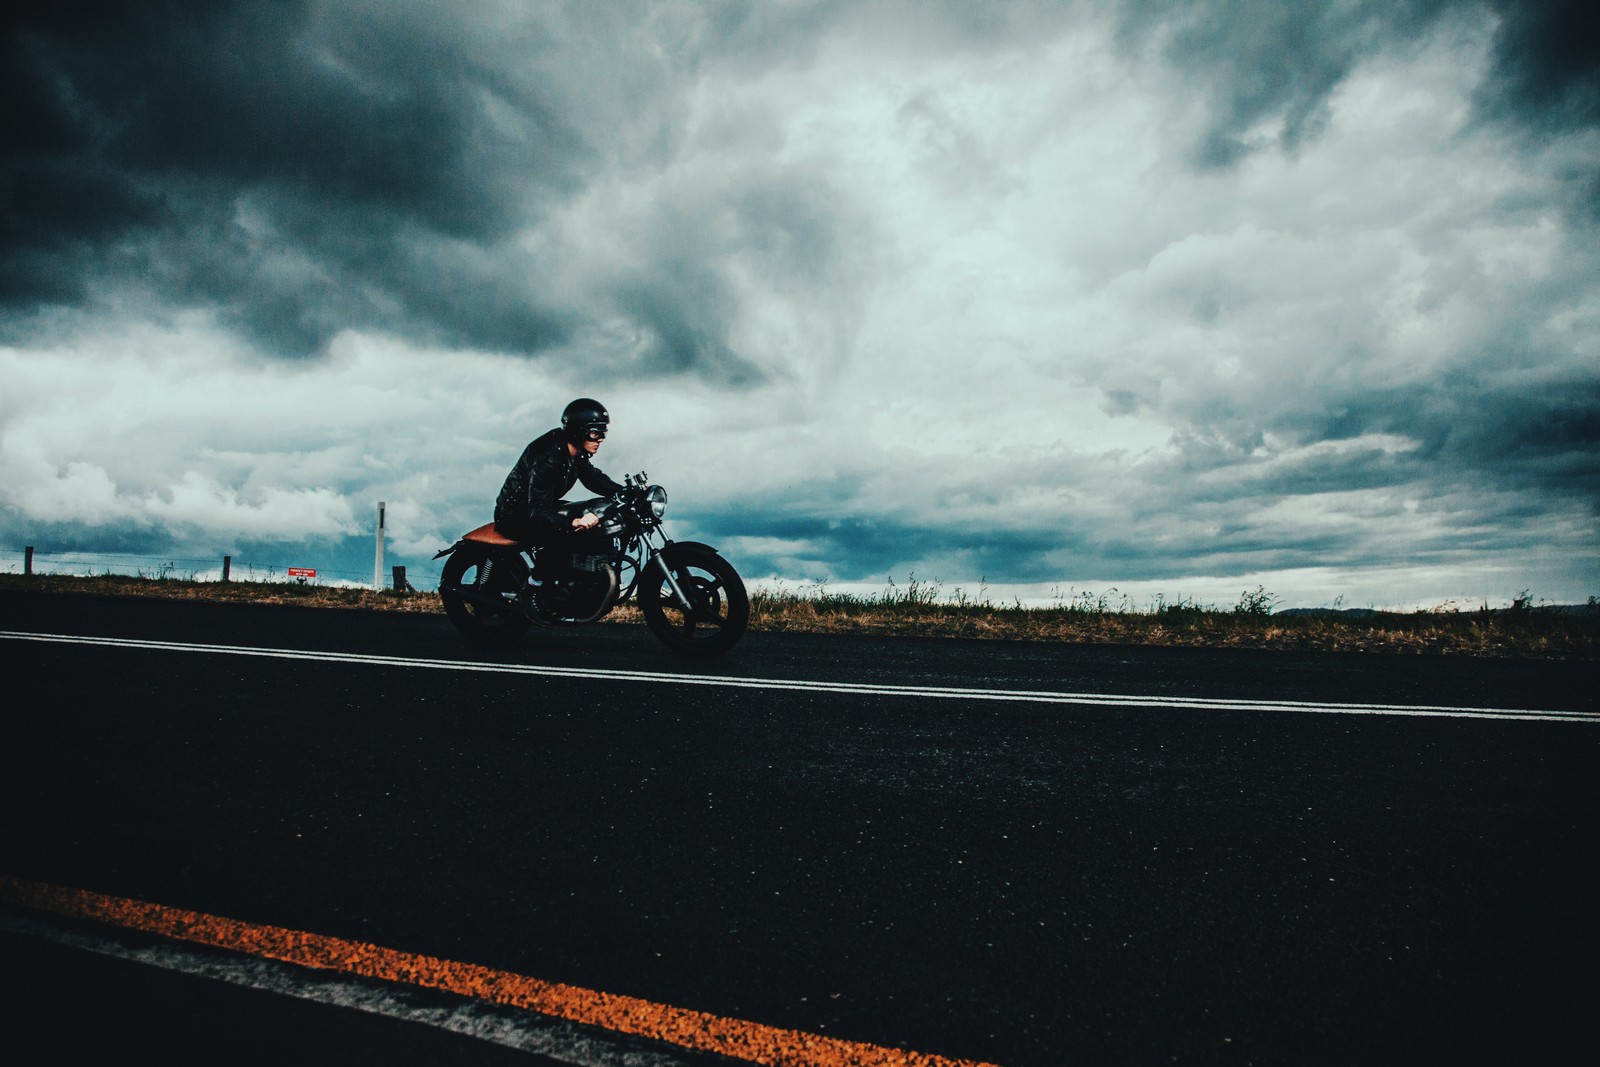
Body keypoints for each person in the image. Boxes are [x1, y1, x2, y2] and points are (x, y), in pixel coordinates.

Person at [493, 398, 626, 546]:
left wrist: (625, 492)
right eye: (595, 433)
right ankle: (550, 569)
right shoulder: (548, 457)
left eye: (603, 433)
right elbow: (537, 510)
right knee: (571, 533)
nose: (601, 439)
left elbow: (593, 479)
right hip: (515, 516)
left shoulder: (575, 452)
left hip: (542, 507)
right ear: (578, 432)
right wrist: (574, 523)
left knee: (596, 517)